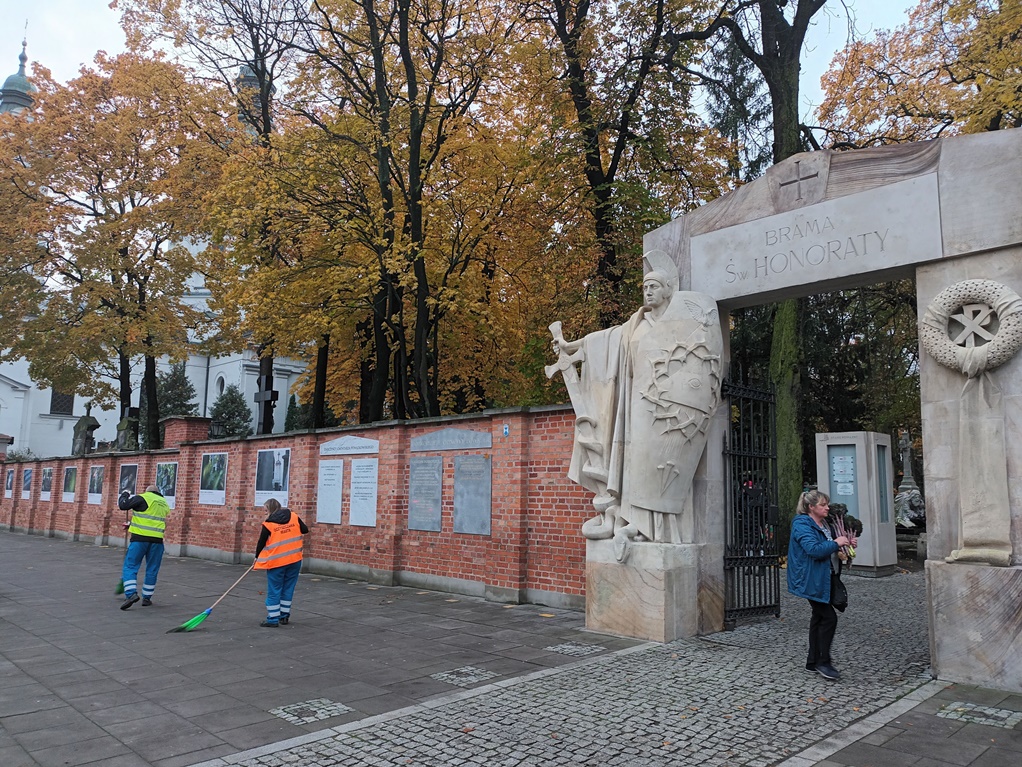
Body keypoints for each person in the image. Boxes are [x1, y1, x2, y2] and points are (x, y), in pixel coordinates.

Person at [549, 250, 723, 550]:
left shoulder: (680, 326)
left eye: (653, 286)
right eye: (644, 287)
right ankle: (629, 523)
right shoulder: (635, 325)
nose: (648, 291)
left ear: (669, 290)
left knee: (655, 468)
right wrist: (569, 345)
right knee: (632, 467)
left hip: (664, 415)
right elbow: (603, 338)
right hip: (634, 411)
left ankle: (652, 529)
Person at [786, 489, 856, 681]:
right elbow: (814, 550)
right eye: (823, 505)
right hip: (810, 579)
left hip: (825, 577)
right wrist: (836, 542)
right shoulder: (802, 525)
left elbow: (832, 547)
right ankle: (823, 662)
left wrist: (846, 545)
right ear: (811, 507)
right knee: (828, 618)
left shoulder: (825, 523)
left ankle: (813, 661)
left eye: (827, 504)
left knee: (819, 616)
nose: (827, 507)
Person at [254, 498, 309, 627]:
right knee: (288, 588)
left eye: (265, 510)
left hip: (277, 562)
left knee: (275, 590)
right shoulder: (294, 516)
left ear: (270, 510)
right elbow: (305, 529)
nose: (265, 513)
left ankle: (272, 619)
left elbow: (261, 542)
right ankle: (284, 616)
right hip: (295, 560)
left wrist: (256, 557)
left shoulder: (268, 524)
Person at [118, 484, 170, 609]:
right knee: (152, 569)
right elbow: (151, 520)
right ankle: (147, 598)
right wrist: (131, 524)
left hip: (139, 540)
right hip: (157, 541)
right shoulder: (164, 503)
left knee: (130, 566)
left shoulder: (143, 497)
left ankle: (131, 594)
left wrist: (125, 494)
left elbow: (123, 505)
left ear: (147, 491)